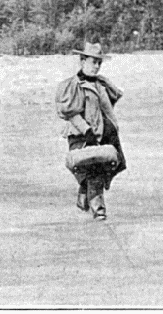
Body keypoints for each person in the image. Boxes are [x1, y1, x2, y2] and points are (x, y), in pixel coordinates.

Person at [55, 42, 126, 220]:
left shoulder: (101, 83)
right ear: (82, 61)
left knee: (103, 169)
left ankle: (84, 195)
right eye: (93, 62)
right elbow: (70, 112)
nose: (96, 66)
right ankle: (99, 212)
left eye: (98, 63)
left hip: (104, 134)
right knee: (94, 171)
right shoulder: (73, 85)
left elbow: (107, 108)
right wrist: (86, 130)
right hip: (83, 135)